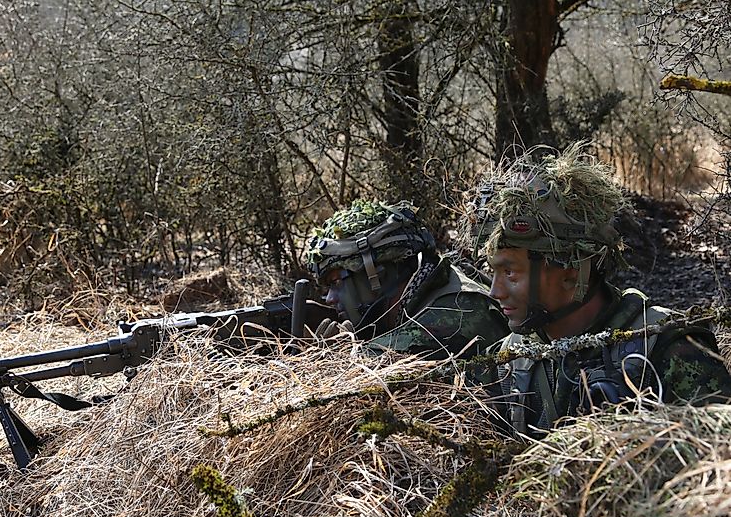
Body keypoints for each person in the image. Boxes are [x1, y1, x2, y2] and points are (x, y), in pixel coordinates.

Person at [466, 143, 731, 437]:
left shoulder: (669, 351)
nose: (495, 292)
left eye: (510, 272)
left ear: (571, 274)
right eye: (494, 272)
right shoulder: (508, 363)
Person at [305, 199, 508, 359]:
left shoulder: (456, 310)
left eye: (336, 283)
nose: (329, 298)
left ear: (377, 275)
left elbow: (393, 365)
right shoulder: (430, 281)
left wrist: (337, 358)